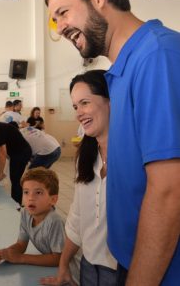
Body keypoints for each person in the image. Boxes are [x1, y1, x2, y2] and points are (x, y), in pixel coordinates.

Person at [45, 0, 180, 284]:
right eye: (55, 20)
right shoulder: (121, 72)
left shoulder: (157, 56)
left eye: (63, 13)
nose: (60, 27)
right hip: (130, 259)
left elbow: (169, 192)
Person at [41, 70, 117, 286]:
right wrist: (64, 265)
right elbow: (77, 216)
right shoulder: (86, 158)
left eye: (85, 103)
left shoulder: (135, 158)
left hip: (126, 269)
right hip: (90, 266)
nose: (79, 113)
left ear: (111, 100)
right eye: (75, 106)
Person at [0, 167, 65, 267]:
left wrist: (21, 258)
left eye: (38, 192)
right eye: (26, 192)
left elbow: (58, 259)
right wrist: (3, 255)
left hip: (72, 272)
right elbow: (21, 245)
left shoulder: (54, 221)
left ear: (53, 199)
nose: (30, 198)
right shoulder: (26, 213)